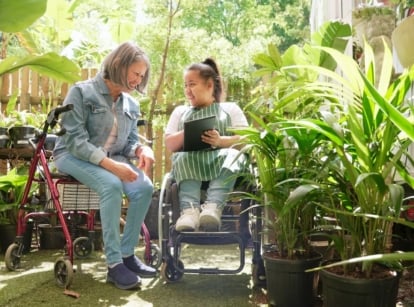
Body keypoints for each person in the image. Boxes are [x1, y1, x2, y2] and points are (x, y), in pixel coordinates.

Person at [53, 41, 156, 290]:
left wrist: (142, 149)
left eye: (142, 76)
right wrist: (110, 165)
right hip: (72, 155)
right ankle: (113, 265)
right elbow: (75, 141)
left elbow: (129, 143)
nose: (138, 80)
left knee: (144, 188)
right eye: (135, 73)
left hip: (111, 157)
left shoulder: (131, 104)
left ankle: (127, 255)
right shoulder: (81, 92)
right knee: (111, 184)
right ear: (119, 65)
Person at [165, 58, 248, 232]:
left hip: (221, 162)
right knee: (180, 156)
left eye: (192, 84)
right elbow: (170, 145)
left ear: (209, 85)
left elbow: (247, 140)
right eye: (185, 85)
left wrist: (221, 141)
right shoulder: (181, 112)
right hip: (190, 162)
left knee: (233, 156)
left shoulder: (230, 109)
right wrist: (189, 131)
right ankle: (189, 212)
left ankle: (212, 208)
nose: (188, 90)